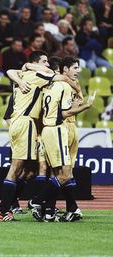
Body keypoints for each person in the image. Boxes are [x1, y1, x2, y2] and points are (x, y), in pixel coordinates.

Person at [0, 50, 82, 222]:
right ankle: (5, 208)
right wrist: (79, 90)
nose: (48, 65)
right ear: (36, 63)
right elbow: (62, 78)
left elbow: (11, 71)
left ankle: (13, 206)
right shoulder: (36, 75)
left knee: (27, 169)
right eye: (44, 61)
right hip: (26, 122)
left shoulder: (23, 74)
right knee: (18, 167)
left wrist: (23, 70)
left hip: (19, 123)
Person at [30, 57, 96, 222]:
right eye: (74, 67)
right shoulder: (63, 86)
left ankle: (58, 210)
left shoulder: (50, 85)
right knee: (63, 174)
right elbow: (65, 112)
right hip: (60, 128)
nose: (78, 71)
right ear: (62, 69)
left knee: (64, 173)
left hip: (62, 128)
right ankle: (40, 203)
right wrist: (85, 105)